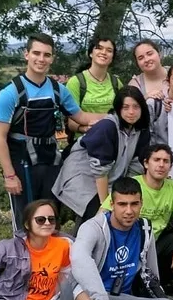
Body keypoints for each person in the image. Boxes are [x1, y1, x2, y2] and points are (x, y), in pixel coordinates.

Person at [0, 33, 99, 231]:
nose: (41, 59)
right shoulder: (11, 92)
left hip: (50, 162)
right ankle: (23, 260)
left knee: (49, 216)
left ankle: (50, 260)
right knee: (26, 219)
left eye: (46, 55)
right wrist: (9, 175)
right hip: (22, 163)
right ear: (26, 55)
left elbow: (82, 117)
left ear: (52, 58)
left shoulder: (59, 90)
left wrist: (117, 116)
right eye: (36, 53)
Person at [102, 144, 173, 296]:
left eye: (166, 161)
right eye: (156, 160)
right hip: (130, 243)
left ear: (170, 166)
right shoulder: (133, 185)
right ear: (146, 163)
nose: (161, 165)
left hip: (155, 243)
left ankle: (161, 281)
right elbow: (102, 213)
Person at [52, 86, 150, 227]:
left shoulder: (142, 131)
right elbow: (100, 172)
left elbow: (135, 167)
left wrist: (124, 192)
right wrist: (106, 205)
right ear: (118, 108)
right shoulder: (107, 127)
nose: (131, 112)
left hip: (111, 178)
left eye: (136, 107)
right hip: (83, 177)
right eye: (126, 107)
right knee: (99, 218)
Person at [64, 36, 124, 146]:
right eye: (99, 48)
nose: (104, 52)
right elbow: (71, 123)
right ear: (91, 53)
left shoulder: (117, 83)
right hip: (84, 144)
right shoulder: (76, 82)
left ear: (112, 57)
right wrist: (86, 128)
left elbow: (125, 112)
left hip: (112, 141)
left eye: (109, 50)